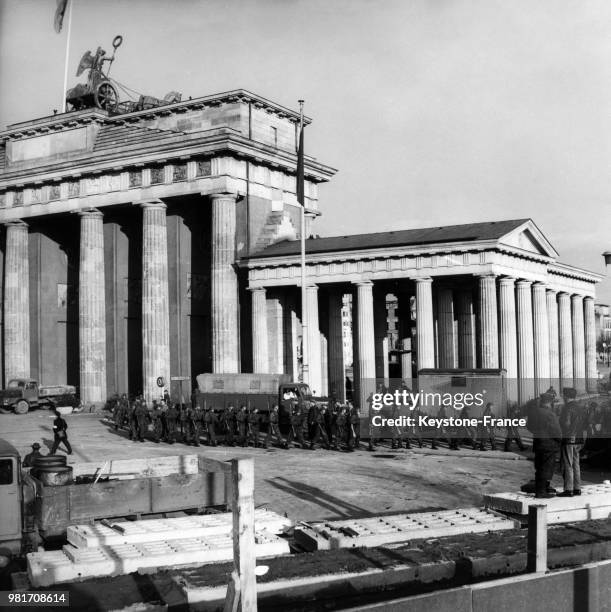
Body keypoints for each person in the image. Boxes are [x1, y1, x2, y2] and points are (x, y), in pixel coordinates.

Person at [526, 393, 562, 498]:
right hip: (549, 444)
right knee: (546, 468)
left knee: (539, 467)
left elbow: (529, 426)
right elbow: (557, 431)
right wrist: (559, 440)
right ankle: (541, 492)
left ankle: (541, 489)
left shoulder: (533, 412)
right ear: (550, 403)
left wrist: (538, 433)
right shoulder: (550, 414)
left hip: (538, 443)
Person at [559, 390, 586, 497]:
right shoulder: (581, 408)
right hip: (579, 438)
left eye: (563, 396)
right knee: (576, 463)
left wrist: (559, 423)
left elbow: (566, 423)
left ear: (566, 396)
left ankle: (568, 489)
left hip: (569, 438)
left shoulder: (567, 408)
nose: (562, 398)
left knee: (567, 464)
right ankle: (577, 489)